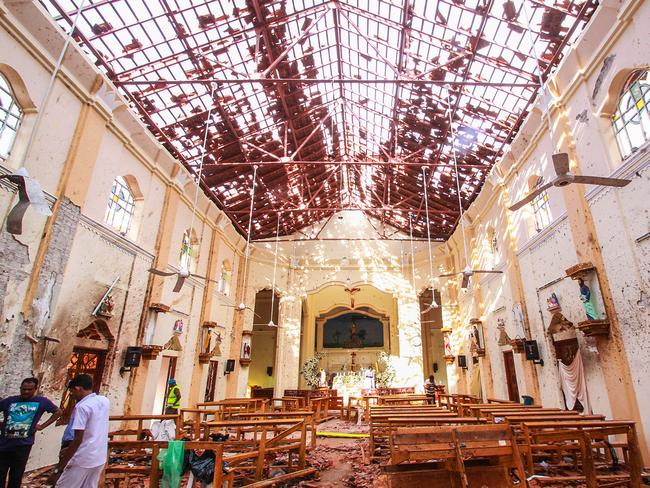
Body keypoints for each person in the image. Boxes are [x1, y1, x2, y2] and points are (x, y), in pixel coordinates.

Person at [0, 377, 62, 488]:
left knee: (16, 476)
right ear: (20, 388)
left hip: (23, 446)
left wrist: (42, 426)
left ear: (35, 389)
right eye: (24, 389)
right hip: (4, 445)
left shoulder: (42, 402)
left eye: (29, 389)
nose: (26, 392)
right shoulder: (10, 401)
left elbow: (58, 412)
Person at [55, 374, 109, 488]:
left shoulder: (82, 407)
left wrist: (59, 469)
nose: (72, 395)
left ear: (78, 388)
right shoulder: (104, 401)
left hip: (83, 457)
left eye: (72, 391)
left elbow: (78, 439)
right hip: (99, 455)